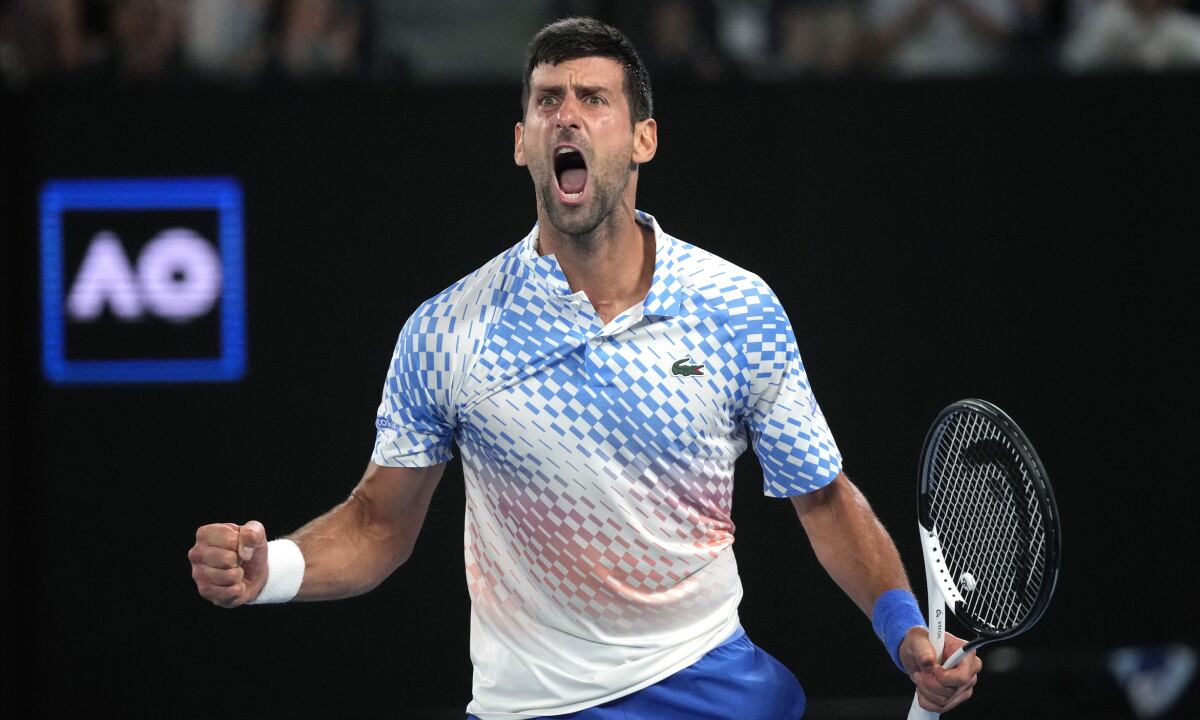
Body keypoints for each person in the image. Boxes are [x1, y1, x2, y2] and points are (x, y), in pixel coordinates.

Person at [188, 17, 983, 720]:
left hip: (709, 682)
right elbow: (376, 526)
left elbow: (823, 498)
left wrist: (904, 630)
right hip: (535, 708)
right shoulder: (447, 332)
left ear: (643, 138)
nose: (566, 114)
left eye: (593, 99)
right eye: (547, 100)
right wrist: (274, 569)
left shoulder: (737, 307)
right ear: (522, 142)